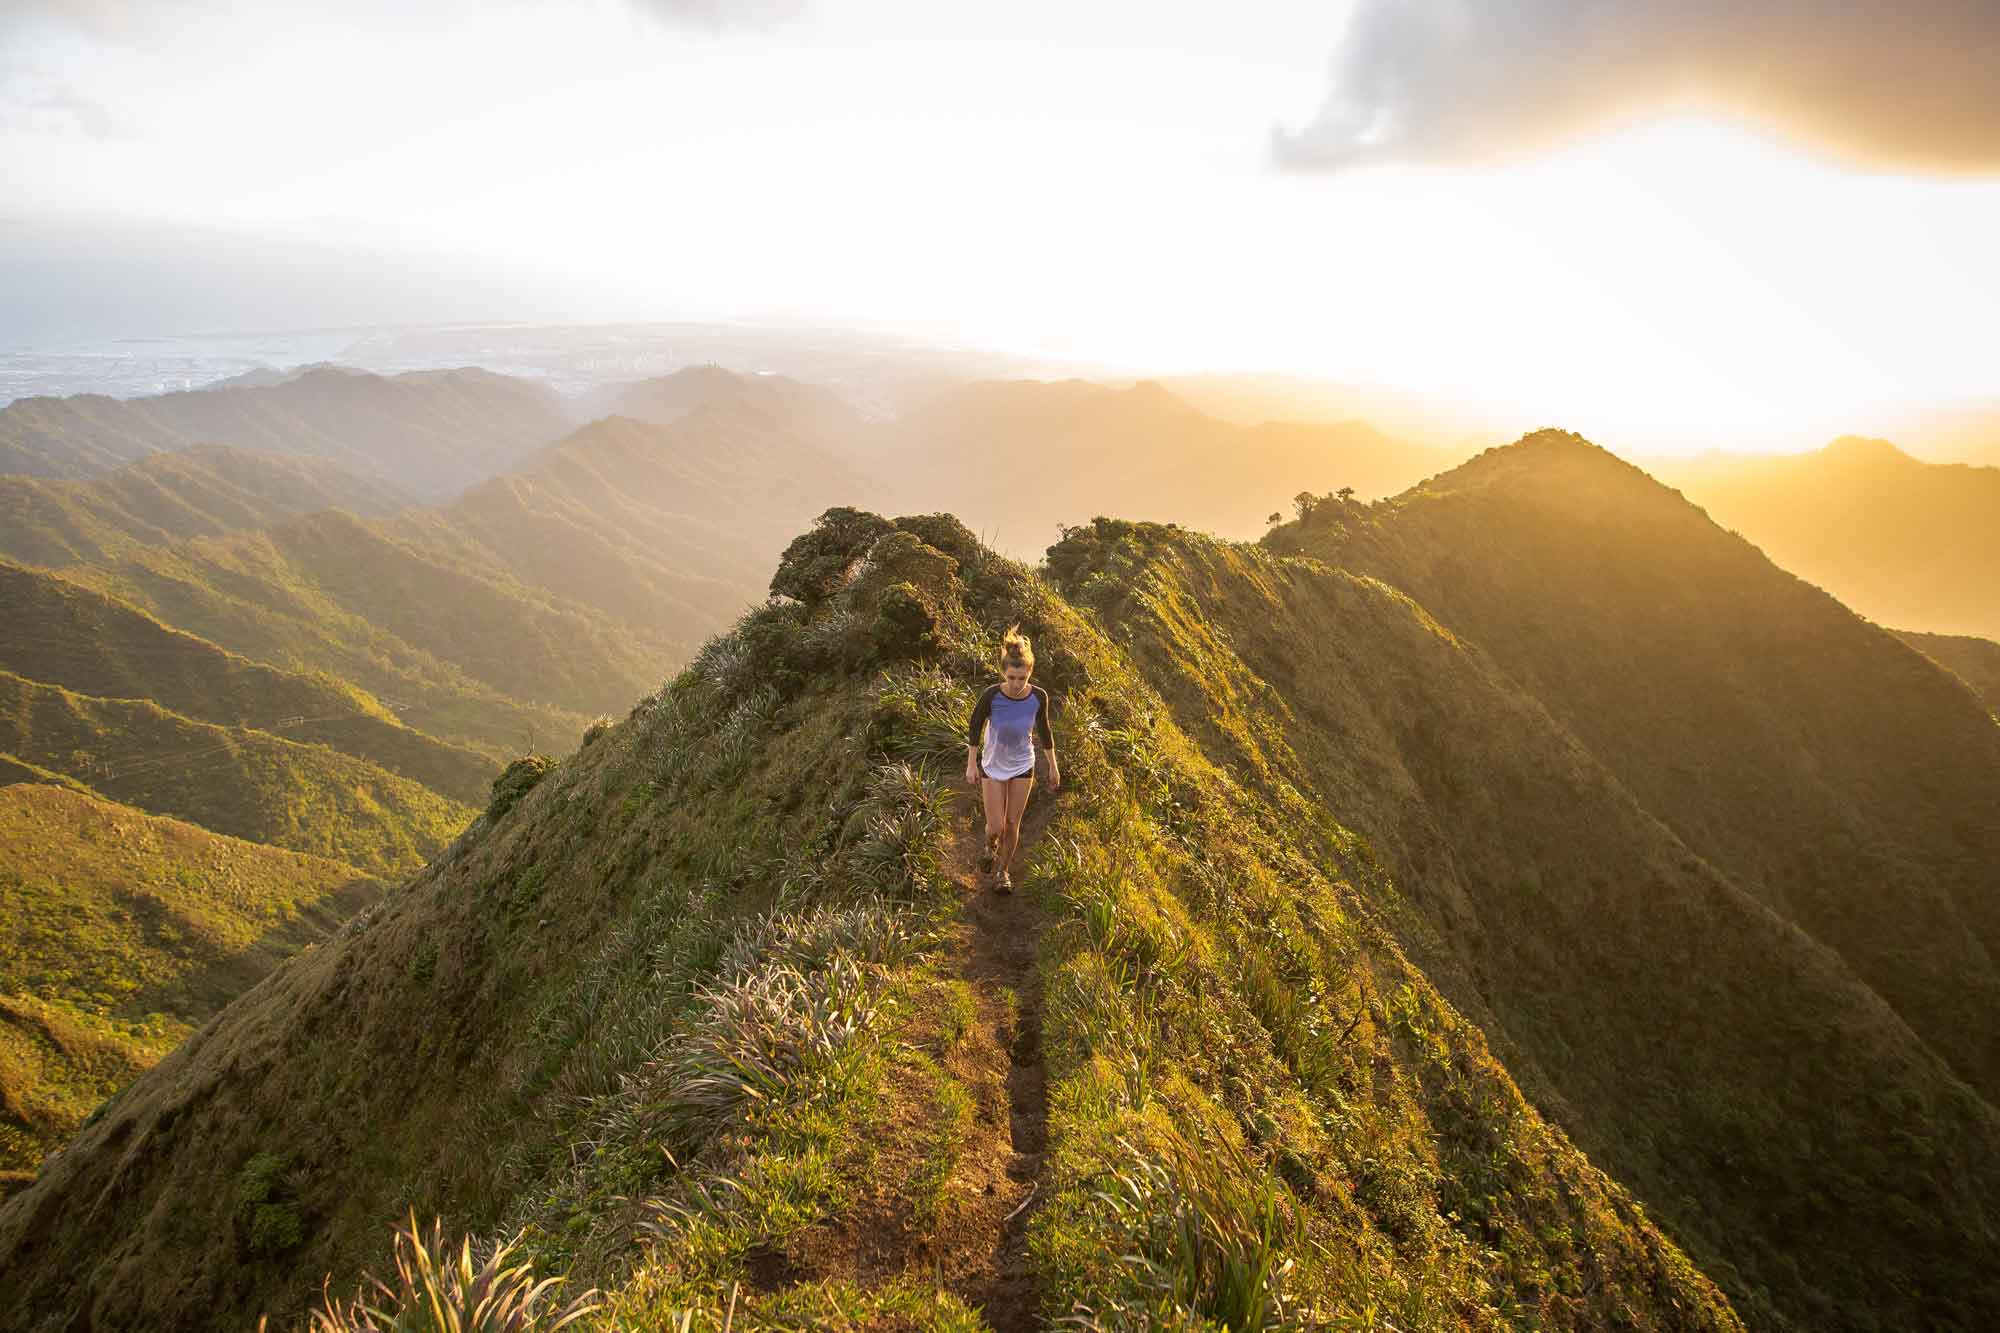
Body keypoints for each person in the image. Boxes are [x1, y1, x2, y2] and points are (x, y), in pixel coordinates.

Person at [964, 625, 1059, 893]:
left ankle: (1003, 873)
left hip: (1022, 764)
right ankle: (988, 846)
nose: (1017, 684)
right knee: (994, 826)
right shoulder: (991, 695)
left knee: (1011, 824)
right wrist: (972, 763)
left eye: (1022, 678)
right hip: (993, 765)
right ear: (1004, 673)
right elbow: (974, 726)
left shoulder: (1039, 697)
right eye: (1012, 677)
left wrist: (1053, 767)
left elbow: (1045, 731)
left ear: (1030, 673)